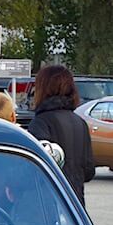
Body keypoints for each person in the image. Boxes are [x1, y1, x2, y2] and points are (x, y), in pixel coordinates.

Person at [26, 65, 95, 204]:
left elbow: (34, 170)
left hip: (48, 203)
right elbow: (89, 171)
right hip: (75, 206)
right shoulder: (80, 122)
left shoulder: (41, 122)